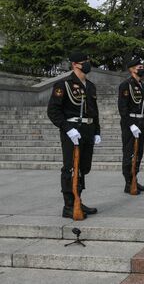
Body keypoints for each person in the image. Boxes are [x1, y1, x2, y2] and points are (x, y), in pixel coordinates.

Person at [47, 51, 100, 219]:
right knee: (70, 167)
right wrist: (67, 128)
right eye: (84, 61)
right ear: (74, 65)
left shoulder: (90, 86)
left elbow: (94, 111)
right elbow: (53, 111)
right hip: (72, 130)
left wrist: (97, 131)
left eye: (88, 60)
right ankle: (69, 205)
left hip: (87, 130)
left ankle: (78, 199)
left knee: (83, 168)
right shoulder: (63, 84)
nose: (87, 64)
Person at [118, 58, 144, 194]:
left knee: (139, 152)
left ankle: (134, 178)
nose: (141, 69)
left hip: (140, 121)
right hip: (130, 122)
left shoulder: (142, 85)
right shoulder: (126, 85)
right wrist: (131, 125)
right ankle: (128, 182)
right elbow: (122, 107)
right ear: (131, 69)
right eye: (139, 67)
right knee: (129, 152)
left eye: (142, 66)